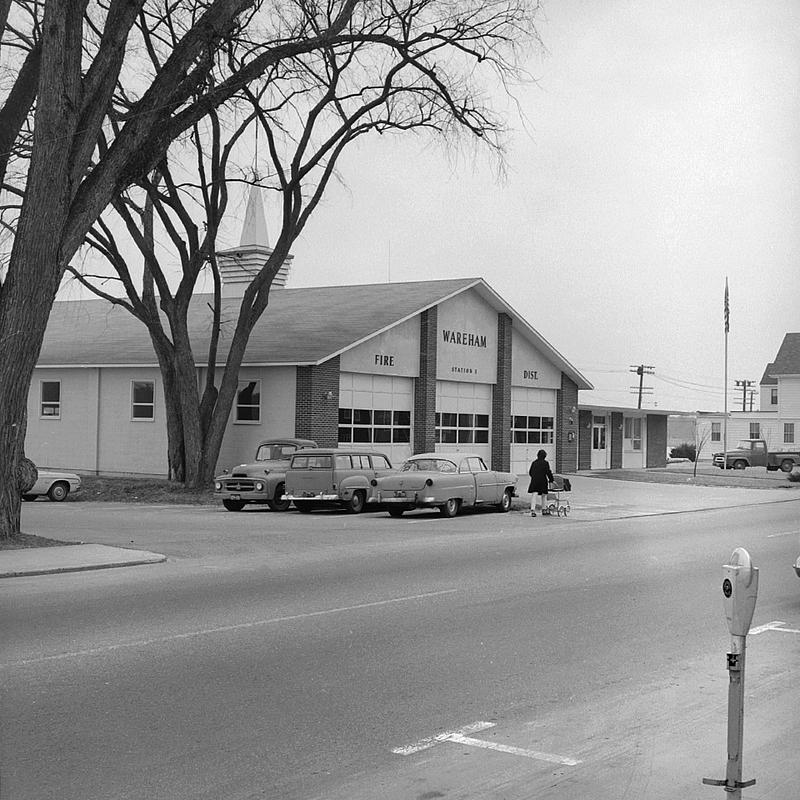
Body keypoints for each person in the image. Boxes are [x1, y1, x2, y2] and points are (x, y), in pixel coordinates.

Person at [528, 449, 554, 517]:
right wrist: (551, 480)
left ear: (538, 455)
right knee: (544, 495)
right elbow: (548, 472)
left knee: (534, 495)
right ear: (544, 456)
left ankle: (533, 510)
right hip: (543, 481)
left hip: (535, 481)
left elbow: (530, 472)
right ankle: (544, 509)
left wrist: (534, 477)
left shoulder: (534, 463)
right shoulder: (545, 463)